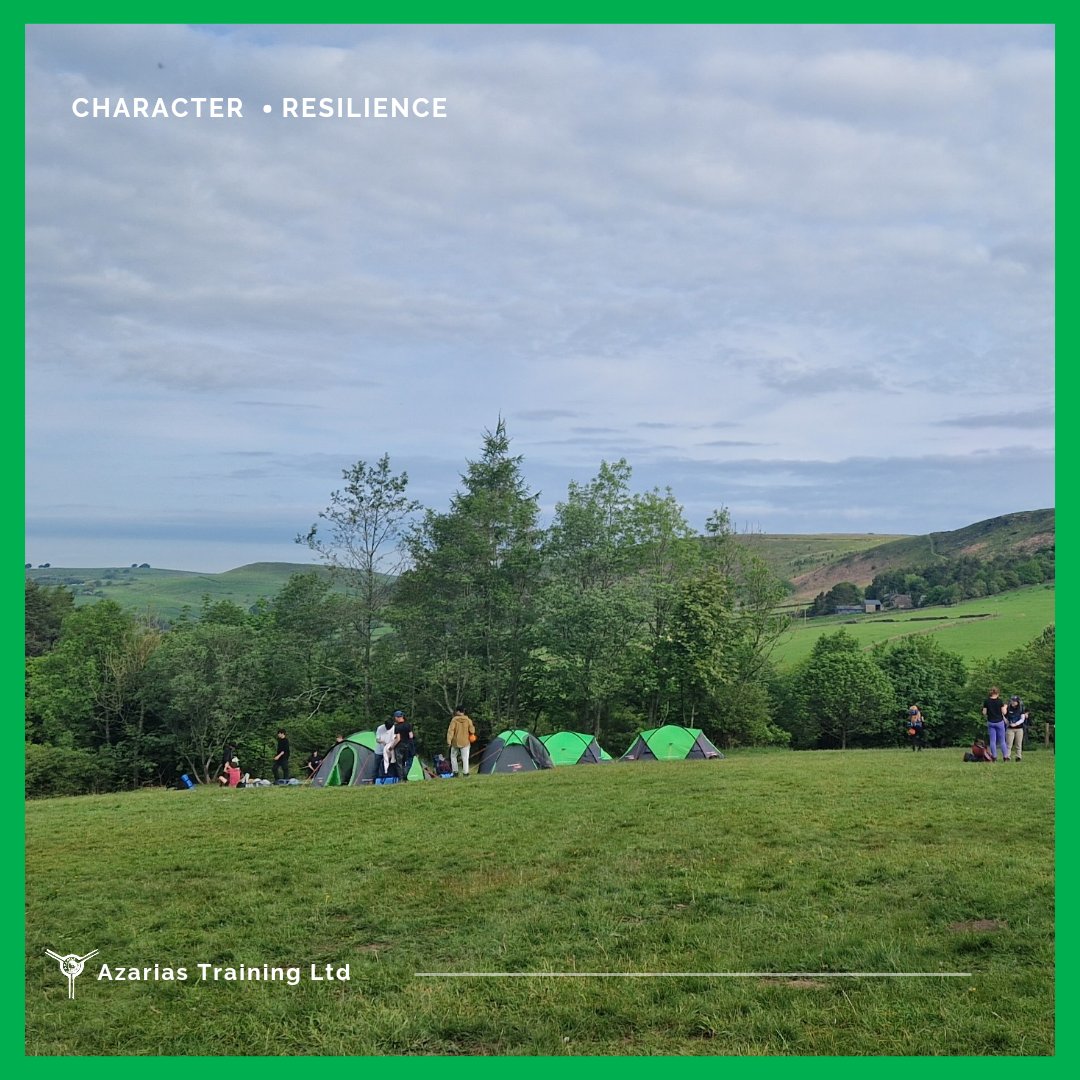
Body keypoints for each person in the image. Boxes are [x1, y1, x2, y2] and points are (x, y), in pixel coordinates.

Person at [446, 706, 477, 776]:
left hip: (455, 742)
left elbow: (450, 731)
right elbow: (472, 731)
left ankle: (455, 772)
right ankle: (466, 773)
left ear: (458, 711)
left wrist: (449, 741)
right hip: (465, 742)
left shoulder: (454, 720)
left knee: (453, 757)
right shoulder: (468, 720)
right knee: (465, 758)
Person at [981, 687, 1008, 762]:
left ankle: (994, 757)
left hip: (991, 722)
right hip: (999, 722)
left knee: (992, 741)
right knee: (1002, 740)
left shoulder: (986, 701)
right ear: (997, 693)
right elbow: (1004, 712)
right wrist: (1005, 707)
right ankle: (1005, 757)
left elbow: (984, 713)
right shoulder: (1000, 701)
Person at [392, 710, 415, 781]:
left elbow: (398, 738)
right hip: (408, 745)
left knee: (399, 763)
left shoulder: (396, 727)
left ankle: (401, 778)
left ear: (397, 717)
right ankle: (405, 775)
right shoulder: (408, 725)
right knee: (407, 762)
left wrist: (392, 746)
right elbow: (411, 736)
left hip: (399, 746)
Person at [1004, 694, 1028, 762]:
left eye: (1015, 701)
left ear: (1018, 702)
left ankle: (1018, 756)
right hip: (1010, 728)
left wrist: (1016, 724)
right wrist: (1008, 723)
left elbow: (1022, 719)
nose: (1013, 702)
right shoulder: (1008, 708)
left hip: (1019, 728)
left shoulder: (1021, 708)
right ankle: (1007, 757)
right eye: (1012, 701)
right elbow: (1005, 717)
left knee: (1018, 744)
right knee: (1009, 744)